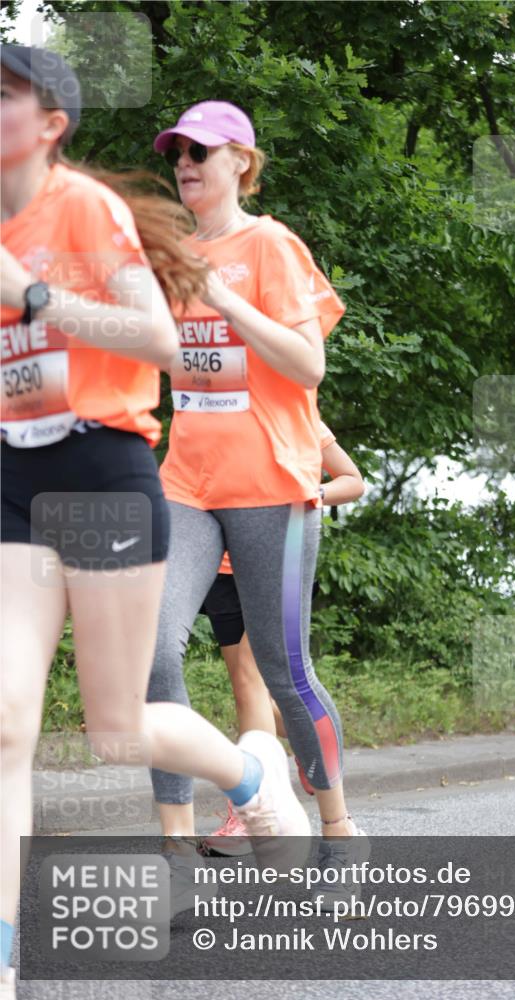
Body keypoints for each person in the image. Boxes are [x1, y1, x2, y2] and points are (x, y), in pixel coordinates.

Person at [0, 46, 309, 995]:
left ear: (50, 124)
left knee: (118, 727)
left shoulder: (83, 209)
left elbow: (160, 341)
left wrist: (32, 296)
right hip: (12, 474)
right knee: (6, 723)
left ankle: (252, 780)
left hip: (101, 466)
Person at [146, 99, 370, 903]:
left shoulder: (270, 244)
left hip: (272, 484)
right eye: (176, 152)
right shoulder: (170, 257)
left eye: (200, 151)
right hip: (186, 484)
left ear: (241, 161)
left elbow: (307, 366)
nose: (185, 163)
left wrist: (225, 299)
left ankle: (338, 832)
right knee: (150, 653)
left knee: (284, 671)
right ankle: (176, 854)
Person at [174, 421, 365, 854]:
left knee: (250, 683)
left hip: (275, 558)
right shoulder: (209, 412)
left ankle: (250, 813)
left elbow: (353, 480)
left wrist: (313, 493)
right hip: (221, 570)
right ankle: (310, 746)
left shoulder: (292, 413)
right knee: (250, 691)